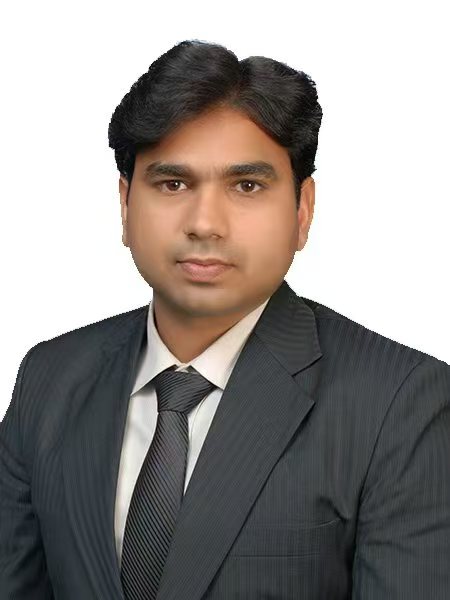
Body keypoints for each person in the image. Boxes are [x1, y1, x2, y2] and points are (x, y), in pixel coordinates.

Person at [1, 39, 449, 600]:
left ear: (302, 210)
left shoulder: (400, 403)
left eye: (246, 186)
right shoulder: (49, 378)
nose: (205, 223)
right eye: (173, 184)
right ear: (125, 203)